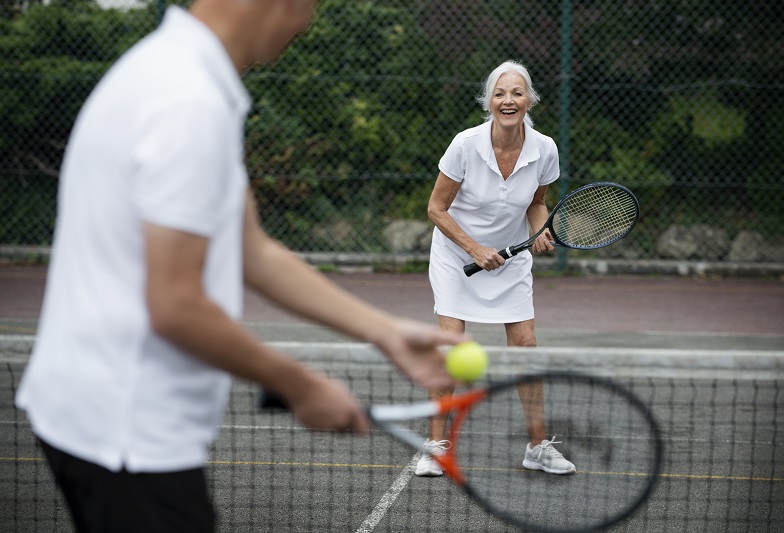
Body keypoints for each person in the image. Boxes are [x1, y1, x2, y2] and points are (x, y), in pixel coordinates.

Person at [15, 1, 463, 531]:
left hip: (95, 414)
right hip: (127, 430)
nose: (307, 22)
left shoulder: (169, 70)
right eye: (306, 5)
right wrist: (299, 385)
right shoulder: (188, 100)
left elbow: (252, 249)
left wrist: (384, 332)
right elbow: (175, 306)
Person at [416, 60, 576, 477]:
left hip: (511, 260)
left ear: (529, 100)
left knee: (525, 347)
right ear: (489, 101)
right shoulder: (465, 144)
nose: (509, 100)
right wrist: (474, 248)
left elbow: (537, 201)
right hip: (456, 255)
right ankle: (435, 445)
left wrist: (539, 229)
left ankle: (537, 446)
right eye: (500, 93)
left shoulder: (545, 148)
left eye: (517, 93)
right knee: (451, 346)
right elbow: (435, 208)